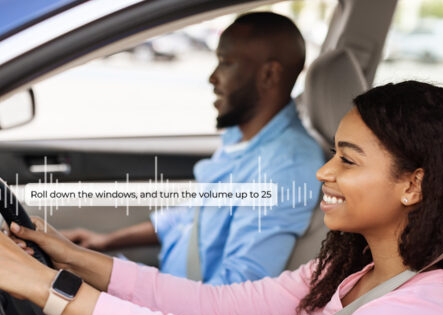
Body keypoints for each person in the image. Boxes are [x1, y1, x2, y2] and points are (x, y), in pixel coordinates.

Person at [0, 81, 443, 315]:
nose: (322, 173)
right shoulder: (353, 271)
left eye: (347, 159)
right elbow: (218, 310)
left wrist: (45, 287)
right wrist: (71, 259)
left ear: (413, 184)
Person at [62, 12, 325, 284]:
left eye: (226, 62)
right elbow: (196, 213)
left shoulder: (287, 165)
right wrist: (104, 242)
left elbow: (233, 297)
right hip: (168, 292)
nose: (213, 78)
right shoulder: (242, 137)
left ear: (269, 74)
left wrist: (118, 289)